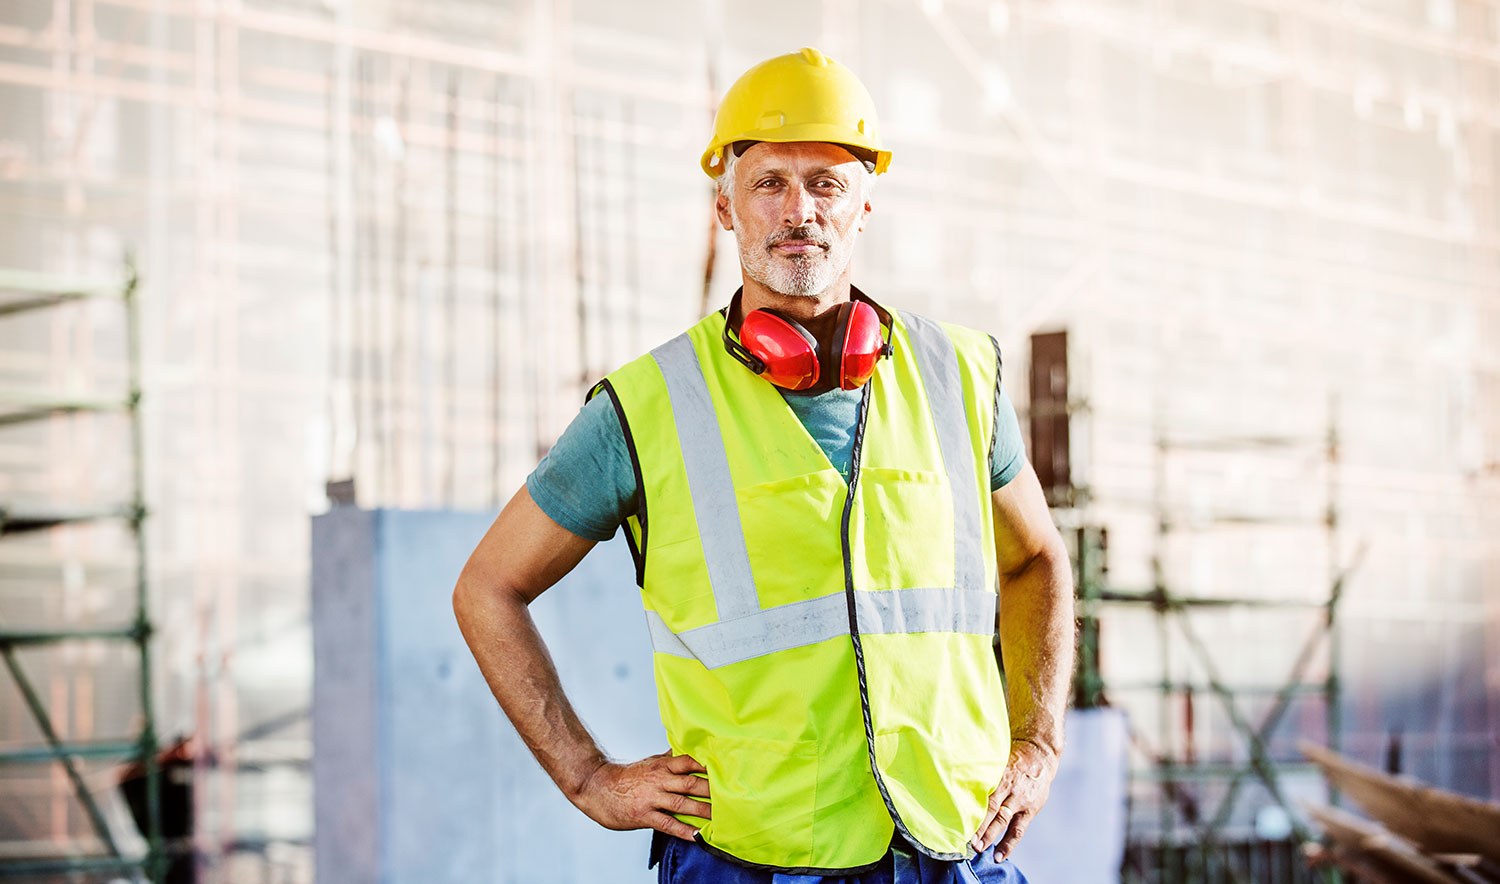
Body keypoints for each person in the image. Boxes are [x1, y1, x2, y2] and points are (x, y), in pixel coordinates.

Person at [453, 47, 1074, 883]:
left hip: (954, 848)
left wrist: (1037, 741)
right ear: (725, 209)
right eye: (769, 182)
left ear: (863, 210)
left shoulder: (958, 375)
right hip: (755, 859)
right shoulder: (645, 407)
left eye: (826, 183)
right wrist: (587, 776)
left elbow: (1036, 556)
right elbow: (488, 587)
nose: (799, 210)